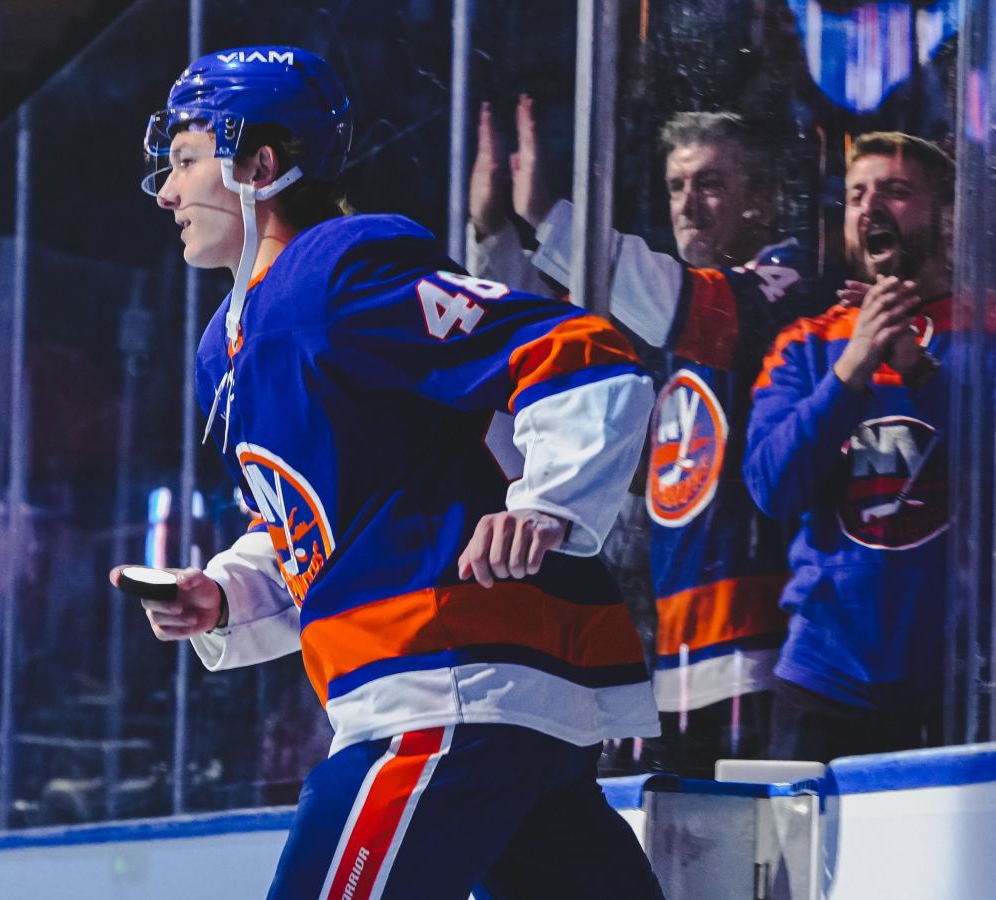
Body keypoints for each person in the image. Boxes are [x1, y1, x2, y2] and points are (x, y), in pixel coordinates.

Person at [115, 47, 664, 898]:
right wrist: (223, 595)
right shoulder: (223, 349)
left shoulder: (335, 272)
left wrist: (548, 504)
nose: (166, 192)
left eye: (186, 161)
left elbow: (578, 352)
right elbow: (312, 527)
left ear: (260, 165)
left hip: (446, 690)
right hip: (480, 710)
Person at [470, 104, 818, 776]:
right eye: (676, 186)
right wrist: (496, 237)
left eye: (710, 183)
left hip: (760, 649)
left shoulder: (788, 280)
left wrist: (548, 218)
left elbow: (681, 304)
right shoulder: (668, 329)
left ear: (764, 199)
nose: (688, 205)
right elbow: (550, 367)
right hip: (674, 655)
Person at [743, 131, 955, 763]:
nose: (870, 208)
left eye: (896, 191)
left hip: (961, 678)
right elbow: (771, 487)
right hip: (824, 675)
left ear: (947, 217)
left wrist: (918, 372)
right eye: (857, 195)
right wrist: (851, 370)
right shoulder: (805, 344)